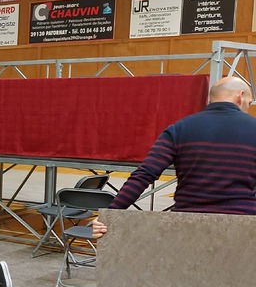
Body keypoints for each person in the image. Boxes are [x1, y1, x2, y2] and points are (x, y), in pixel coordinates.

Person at [92, 76, 256, 237]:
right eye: (249, 103)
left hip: (186, 226)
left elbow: (145, 174)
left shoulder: (179, 128)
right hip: (243, 227)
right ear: (240, 96)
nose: (247, 108)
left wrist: (109, 214)